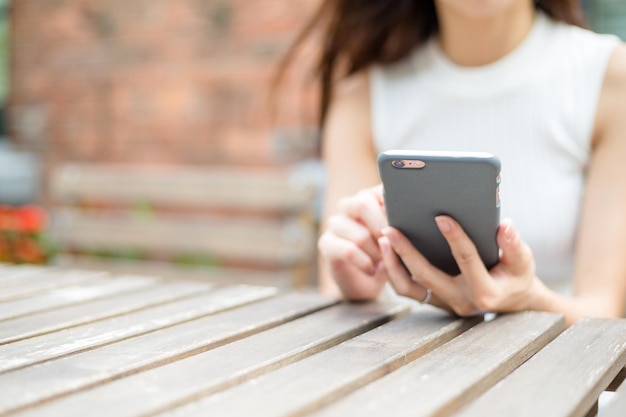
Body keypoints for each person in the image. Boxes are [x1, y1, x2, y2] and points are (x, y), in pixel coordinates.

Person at [278, 0, 626, 326]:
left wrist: (530, 300)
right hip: (402, 378)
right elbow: (340, 289)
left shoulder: (609, 78)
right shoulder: (362, 95)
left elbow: (601, 317)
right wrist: (356, 289)